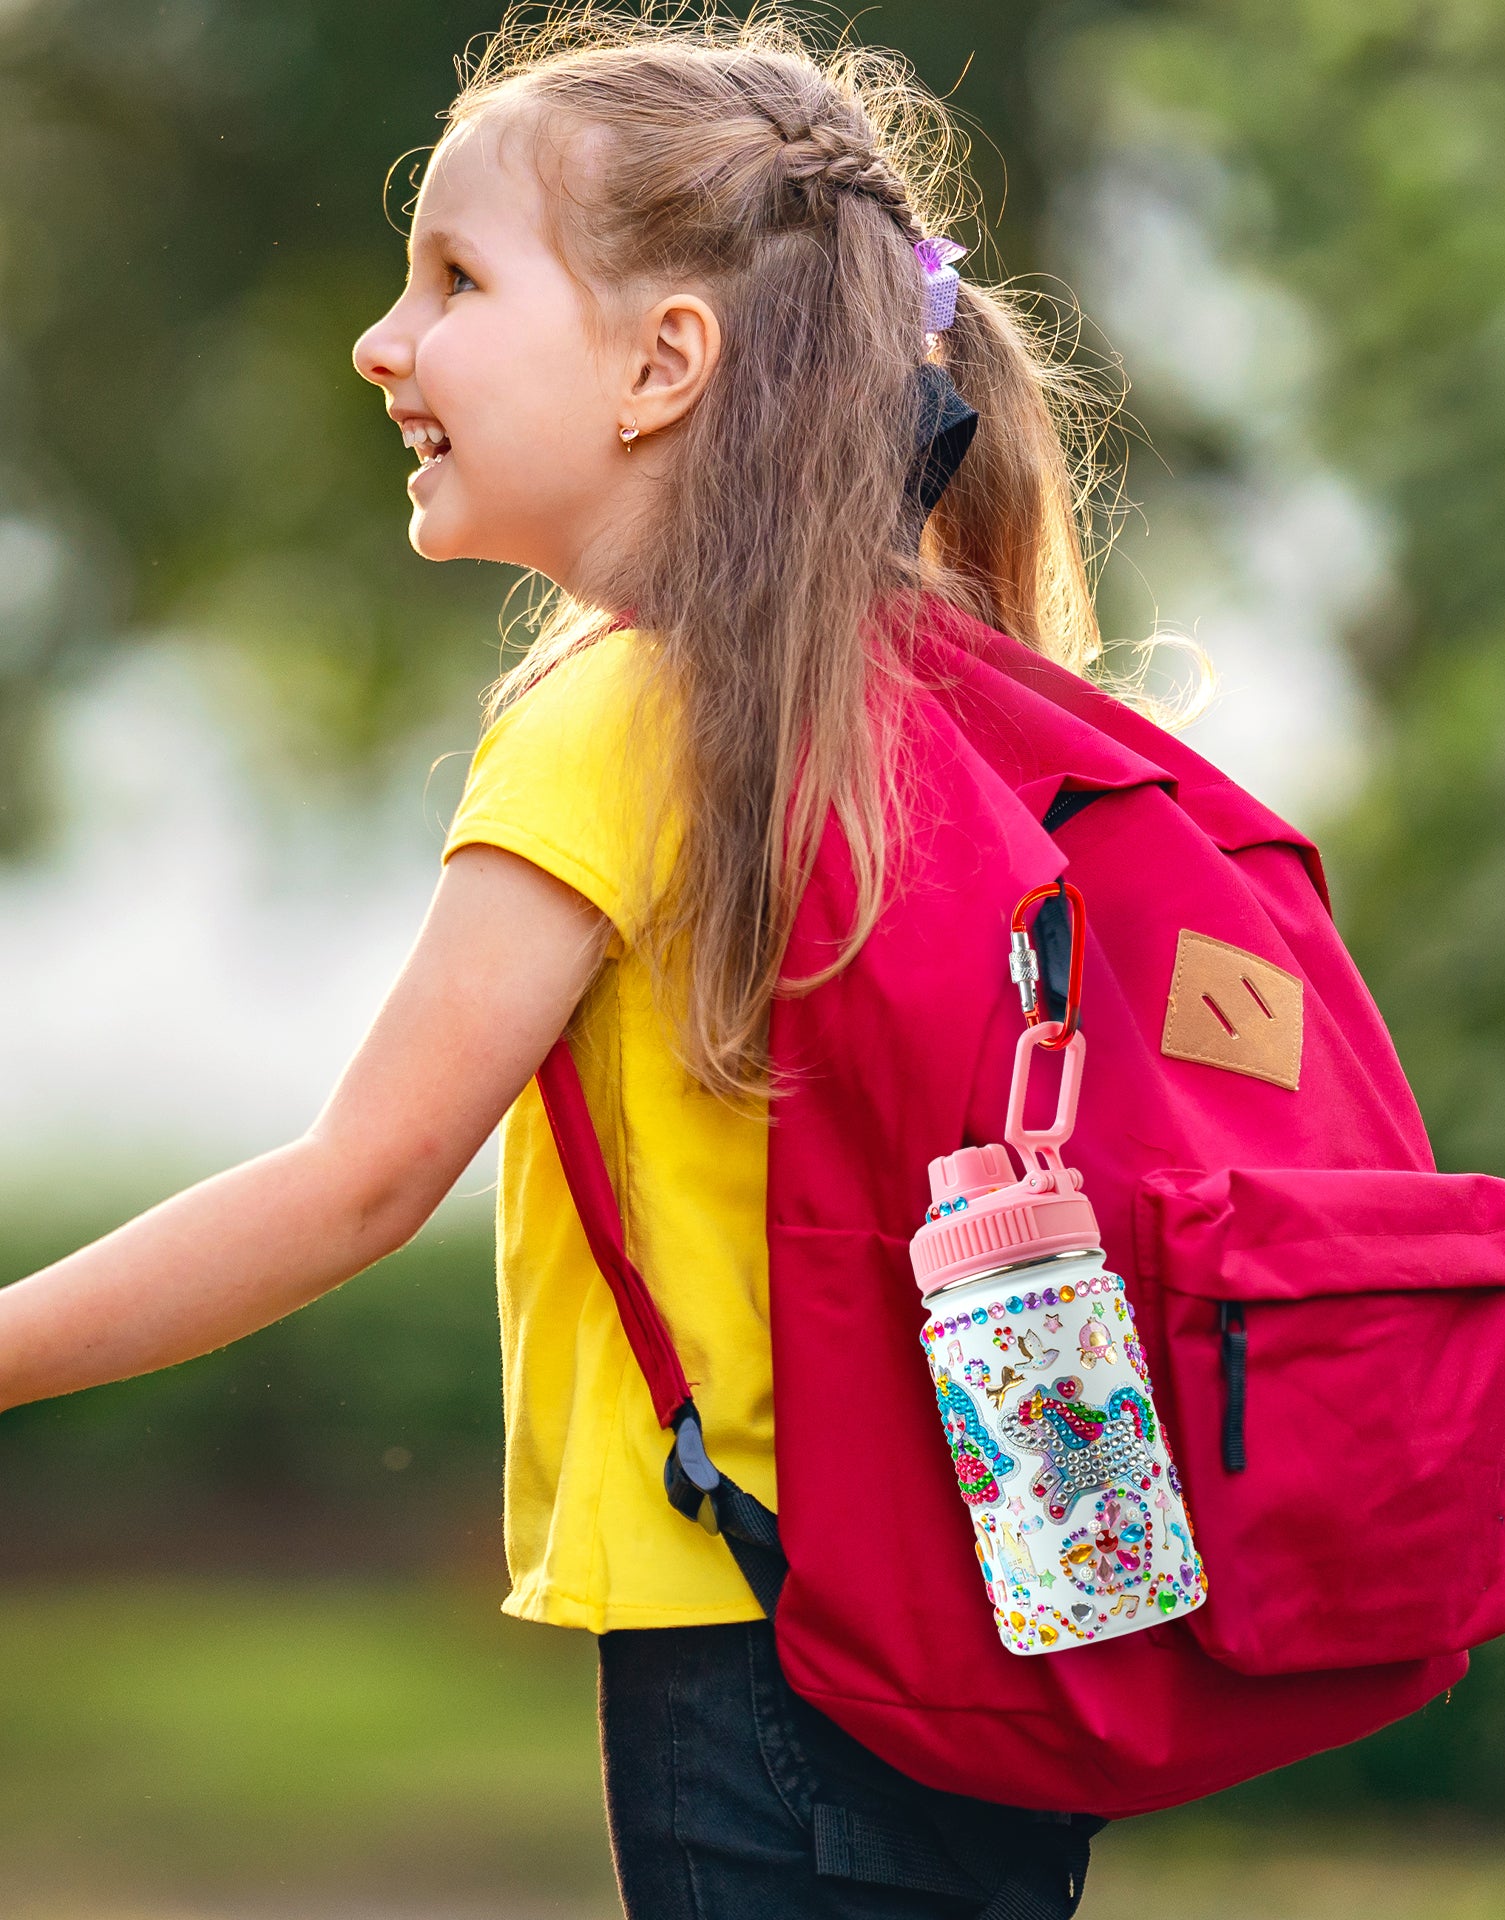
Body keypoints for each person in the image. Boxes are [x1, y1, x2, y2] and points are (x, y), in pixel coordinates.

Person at [0, 10, 1116, 1915]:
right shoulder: (908, 685)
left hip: (754, 1633)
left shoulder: (627, 718)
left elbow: (356, 1180)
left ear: (663, 363)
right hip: (985, 1607)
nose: (384, 339)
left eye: (453, 278)